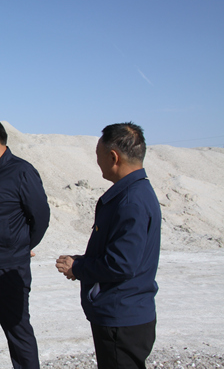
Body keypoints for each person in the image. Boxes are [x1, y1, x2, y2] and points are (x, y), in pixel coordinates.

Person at [56, 122, 161, 369]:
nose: (97, 161)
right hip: (126, 313)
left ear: (113, 157)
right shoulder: (135, 193)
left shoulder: (131, 200)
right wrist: (82, 261)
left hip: (121, 316)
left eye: (98, 155)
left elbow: (121, 264)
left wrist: (78, 268)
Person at [0, 118, 50, 369]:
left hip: (8, 268)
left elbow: (40, 216)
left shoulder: (22, 171)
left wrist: (21, 246)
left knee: (18, 333)